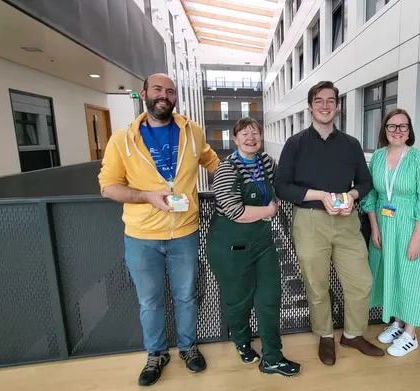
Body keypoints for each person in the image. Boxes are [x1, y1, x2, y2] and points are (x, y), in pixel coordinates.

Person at [98, 73, 220, 386]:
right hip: (141, 237)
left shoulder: (192, 131)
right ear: (144, 95)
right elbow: (108, 187)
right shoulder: (122, 139)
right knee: (150, 302)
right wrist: (146, 197)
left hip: (185, 233)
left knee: (186, 297)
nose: (163, 95)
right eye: (157, 89)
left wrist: (238, 182)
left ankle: (188, 347)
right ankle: (156, 353)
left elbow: (212, 161)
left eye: (170, 91)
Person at [275, 81, 384, 366]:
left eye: (331, 100)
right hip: (309, 221)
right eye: (319, 101)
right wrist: (320, 196)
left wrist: (352, 194)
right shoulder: (295, 143)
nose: (325, 105)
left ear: (338, 106)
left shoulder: (351, 144)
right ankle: (325, 335)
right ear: (310, 107)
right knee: (316, 283)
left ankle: (353, 334)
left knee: (361, 281)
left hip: (347, 220)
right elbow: (281, 186)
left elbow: (365, 181)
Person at [206, 117, 301, 377]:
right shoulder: (226, 170)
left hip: (262, 243)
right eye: (244, 134)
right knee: (239, 302)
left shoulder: (267, 163)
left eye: (255, 133)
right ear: (235, 139)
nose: (251, 137)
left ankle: (272, 357)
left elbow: (280, 186)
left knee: (271, 298)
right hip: (230, 246)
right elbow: (235, 211)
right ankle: (242, 342)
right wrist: (268, 210)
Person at [360, 108, 420, 357]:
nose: (397, 131)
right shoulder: (378, 157)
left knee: (412, 277)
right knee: (391, 273)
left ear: (410, 130)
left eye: (402, 126)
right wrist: (374, 226)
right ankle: (397, 322)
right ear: (384, 130)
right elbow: (372, 194)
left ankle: (411, 333)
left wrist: (417, 237)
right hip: (385, 225)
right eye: (392, 126)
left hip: (412, 226)